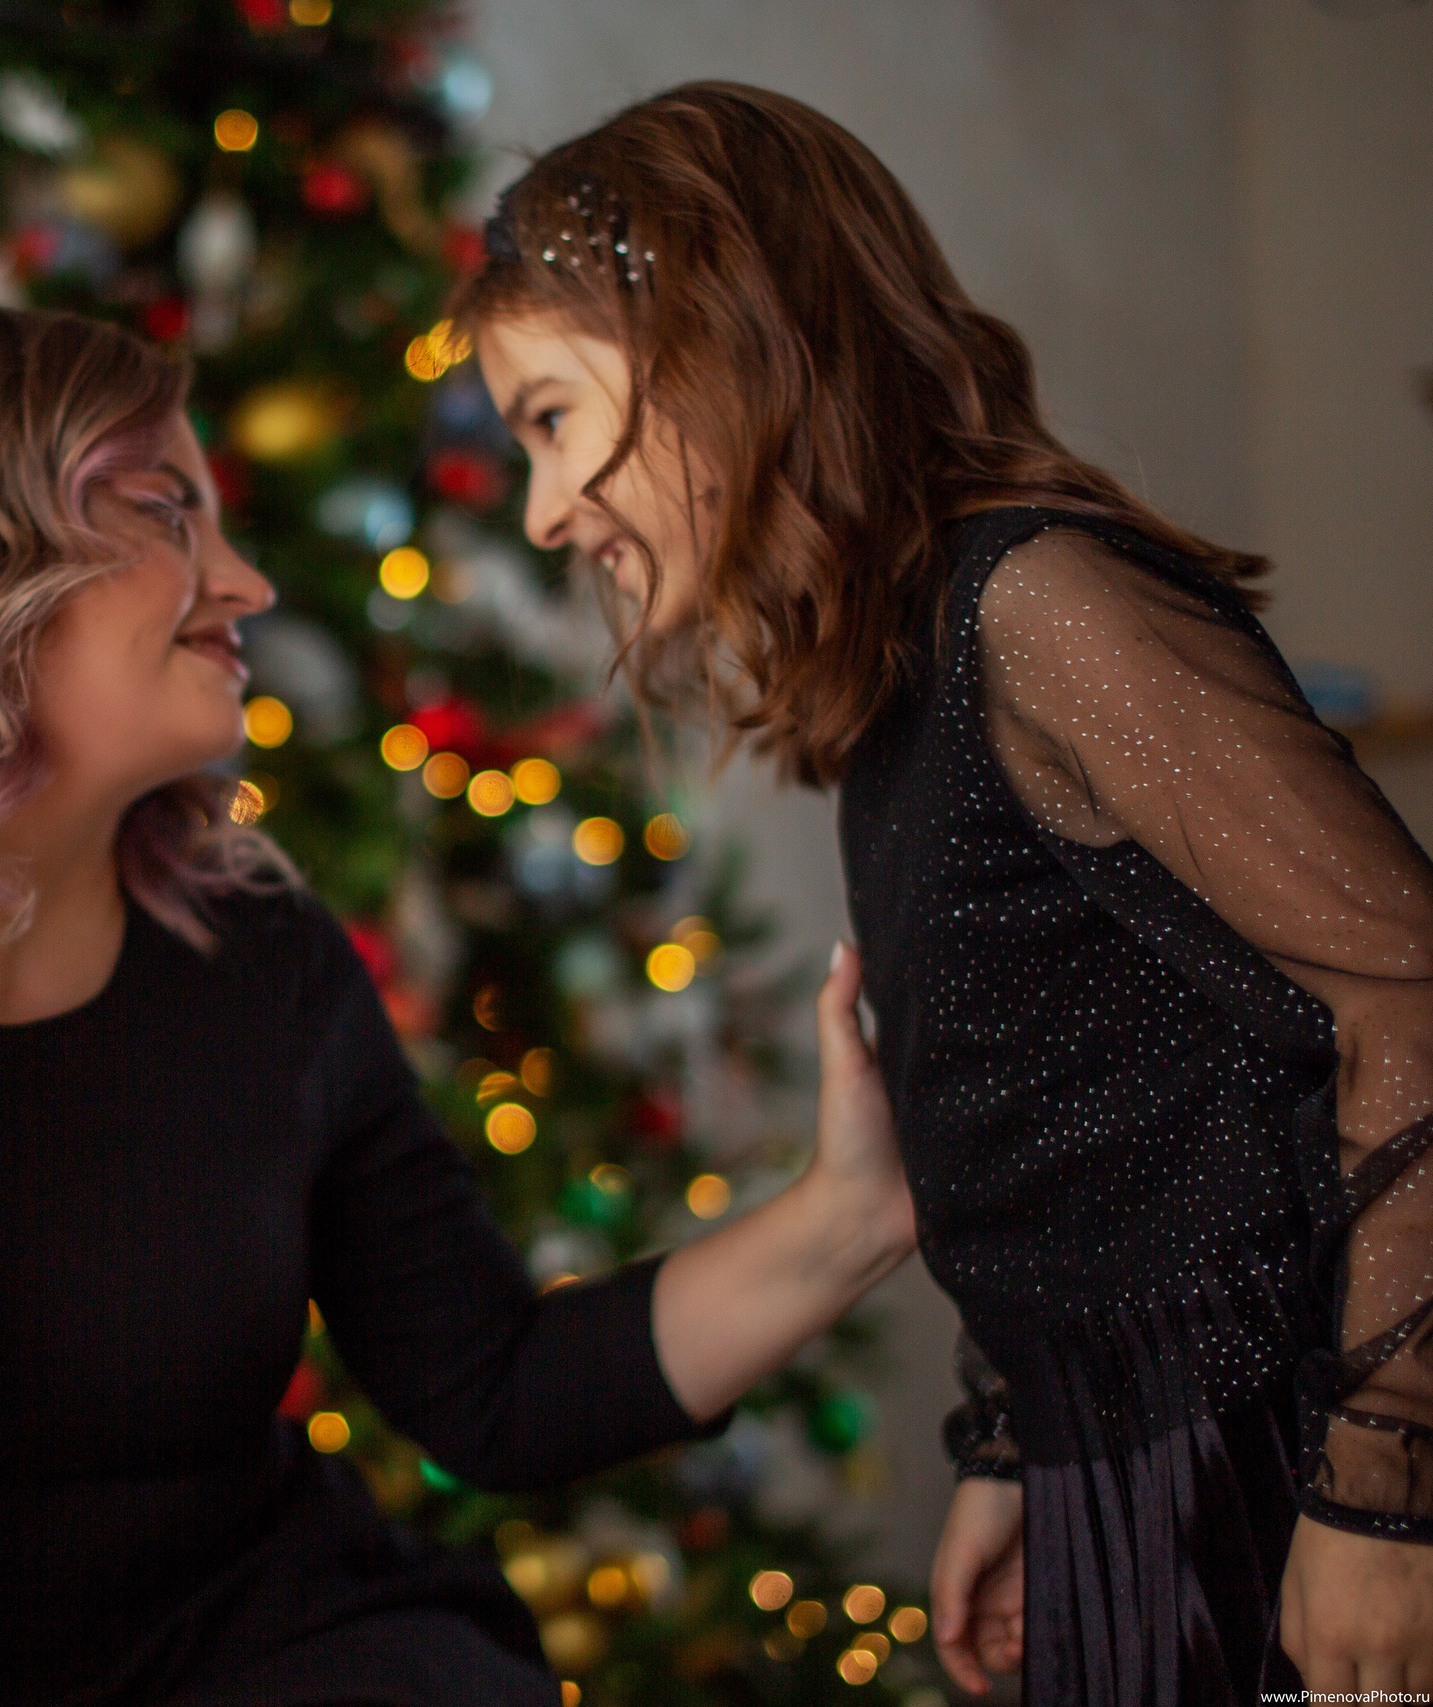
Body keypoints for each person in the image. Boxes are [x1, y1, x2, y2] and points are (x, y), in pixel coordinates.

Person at [0, 305, 917, 1707]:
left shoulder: (260, 957)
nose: (244, 582)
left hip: (284, 1650)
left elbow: (497, 1385)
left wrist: (857, 1210)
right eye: (170, 510)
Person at [454, 80, 1433, 1702]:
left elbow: (1405, 992)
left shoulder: (1037, 604)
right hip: (1123, 1482)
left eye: (553, 418)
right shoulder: (898, 665)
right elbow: (1089, 1122)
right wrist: (1014, 1437)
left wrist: (1386, 1487)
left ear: (715, 343)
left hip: (1268, 1473)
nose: (549, 507)